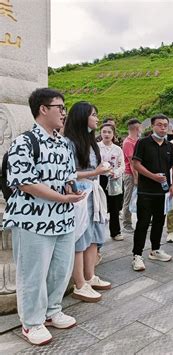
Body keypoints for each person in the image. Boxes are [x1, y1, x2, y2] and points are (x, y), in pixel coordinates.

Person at [2, 88, 84, 345]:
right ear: (43, 109)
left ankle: (52, 311)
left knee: (60, 269)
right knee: (33, 273)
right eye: (60, 107)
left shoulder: (65, 143)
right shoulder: (24, 142)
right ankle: (32, 323)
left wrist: (71, 188)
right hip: (32, 220)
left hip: (63, 218)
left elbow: (69, 174)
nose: (64, 112)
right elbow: (24, 182)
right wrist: (61, 198)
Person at [64, 101, 112, 303]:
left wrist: (99, 171)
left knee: (94, 235)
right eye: (93, 115)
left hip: (93, 192)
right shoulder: (69, 143)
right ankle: (79, 283)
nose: (97, 119)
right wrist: (96, 171)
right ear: (83, 117)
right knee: (80, 238)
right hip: (80, 195)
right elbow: (67, 174)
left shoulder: (91, 142)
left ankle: (90, 276)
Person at [131, 114, 173, 271]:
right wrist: (153, 177)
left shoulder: (170, 146)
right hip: (146, 191)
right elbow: (136, 164)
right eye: (159, 125)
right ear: (152, 126)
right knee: (143, 223)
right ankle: (137, 255)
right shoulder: (143, 143)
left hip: (163, 193)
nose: (163, 127)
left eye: (165, 125)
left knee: (159, 222)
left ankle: (155, 249)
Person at [98, 124, 125, 241]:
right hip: (100, 179)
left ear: (113, 134)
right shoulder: (96, 147)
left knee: (115, 207)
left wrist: (116, 173)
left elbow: (122, 165)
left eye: (109, 132)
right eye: (104, 132)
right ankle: (99, 234)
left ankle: (115, 232)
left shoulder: (118, 149)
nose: (106, 134)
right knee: (100, 207)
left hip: (114, 179)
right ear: (100, 133)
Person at [121, 118, 141, 233]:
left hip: (138, 173)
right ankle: (126, 224)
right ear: (137, 128)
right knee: (128, 198)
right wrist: (136, 177)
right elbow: (132, 162)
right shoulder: (128, 142)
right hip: (130, 174)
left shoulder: (137, 140)